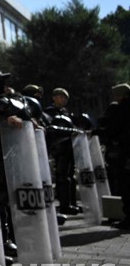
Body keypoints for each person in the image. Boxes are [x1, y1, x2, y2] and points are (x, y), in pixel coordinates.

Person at [97, 83, 130, 229]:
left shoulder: (122, 108)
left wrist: (97, 132)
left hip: (126, 153)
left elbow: (113, 129)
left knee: (126, 186)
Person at [44, 87, 79, 216]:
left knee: (70, 176)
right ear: (54, 97)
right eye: (60, 96)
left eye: (65, 97)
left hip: (69, 146)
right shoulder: (50, 112)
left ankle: (72, 203)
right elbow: (51, 129)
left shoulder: (65, 112)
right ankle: (65, 205)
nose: (62, 99)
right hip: (59, 147)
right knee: (63, 177)